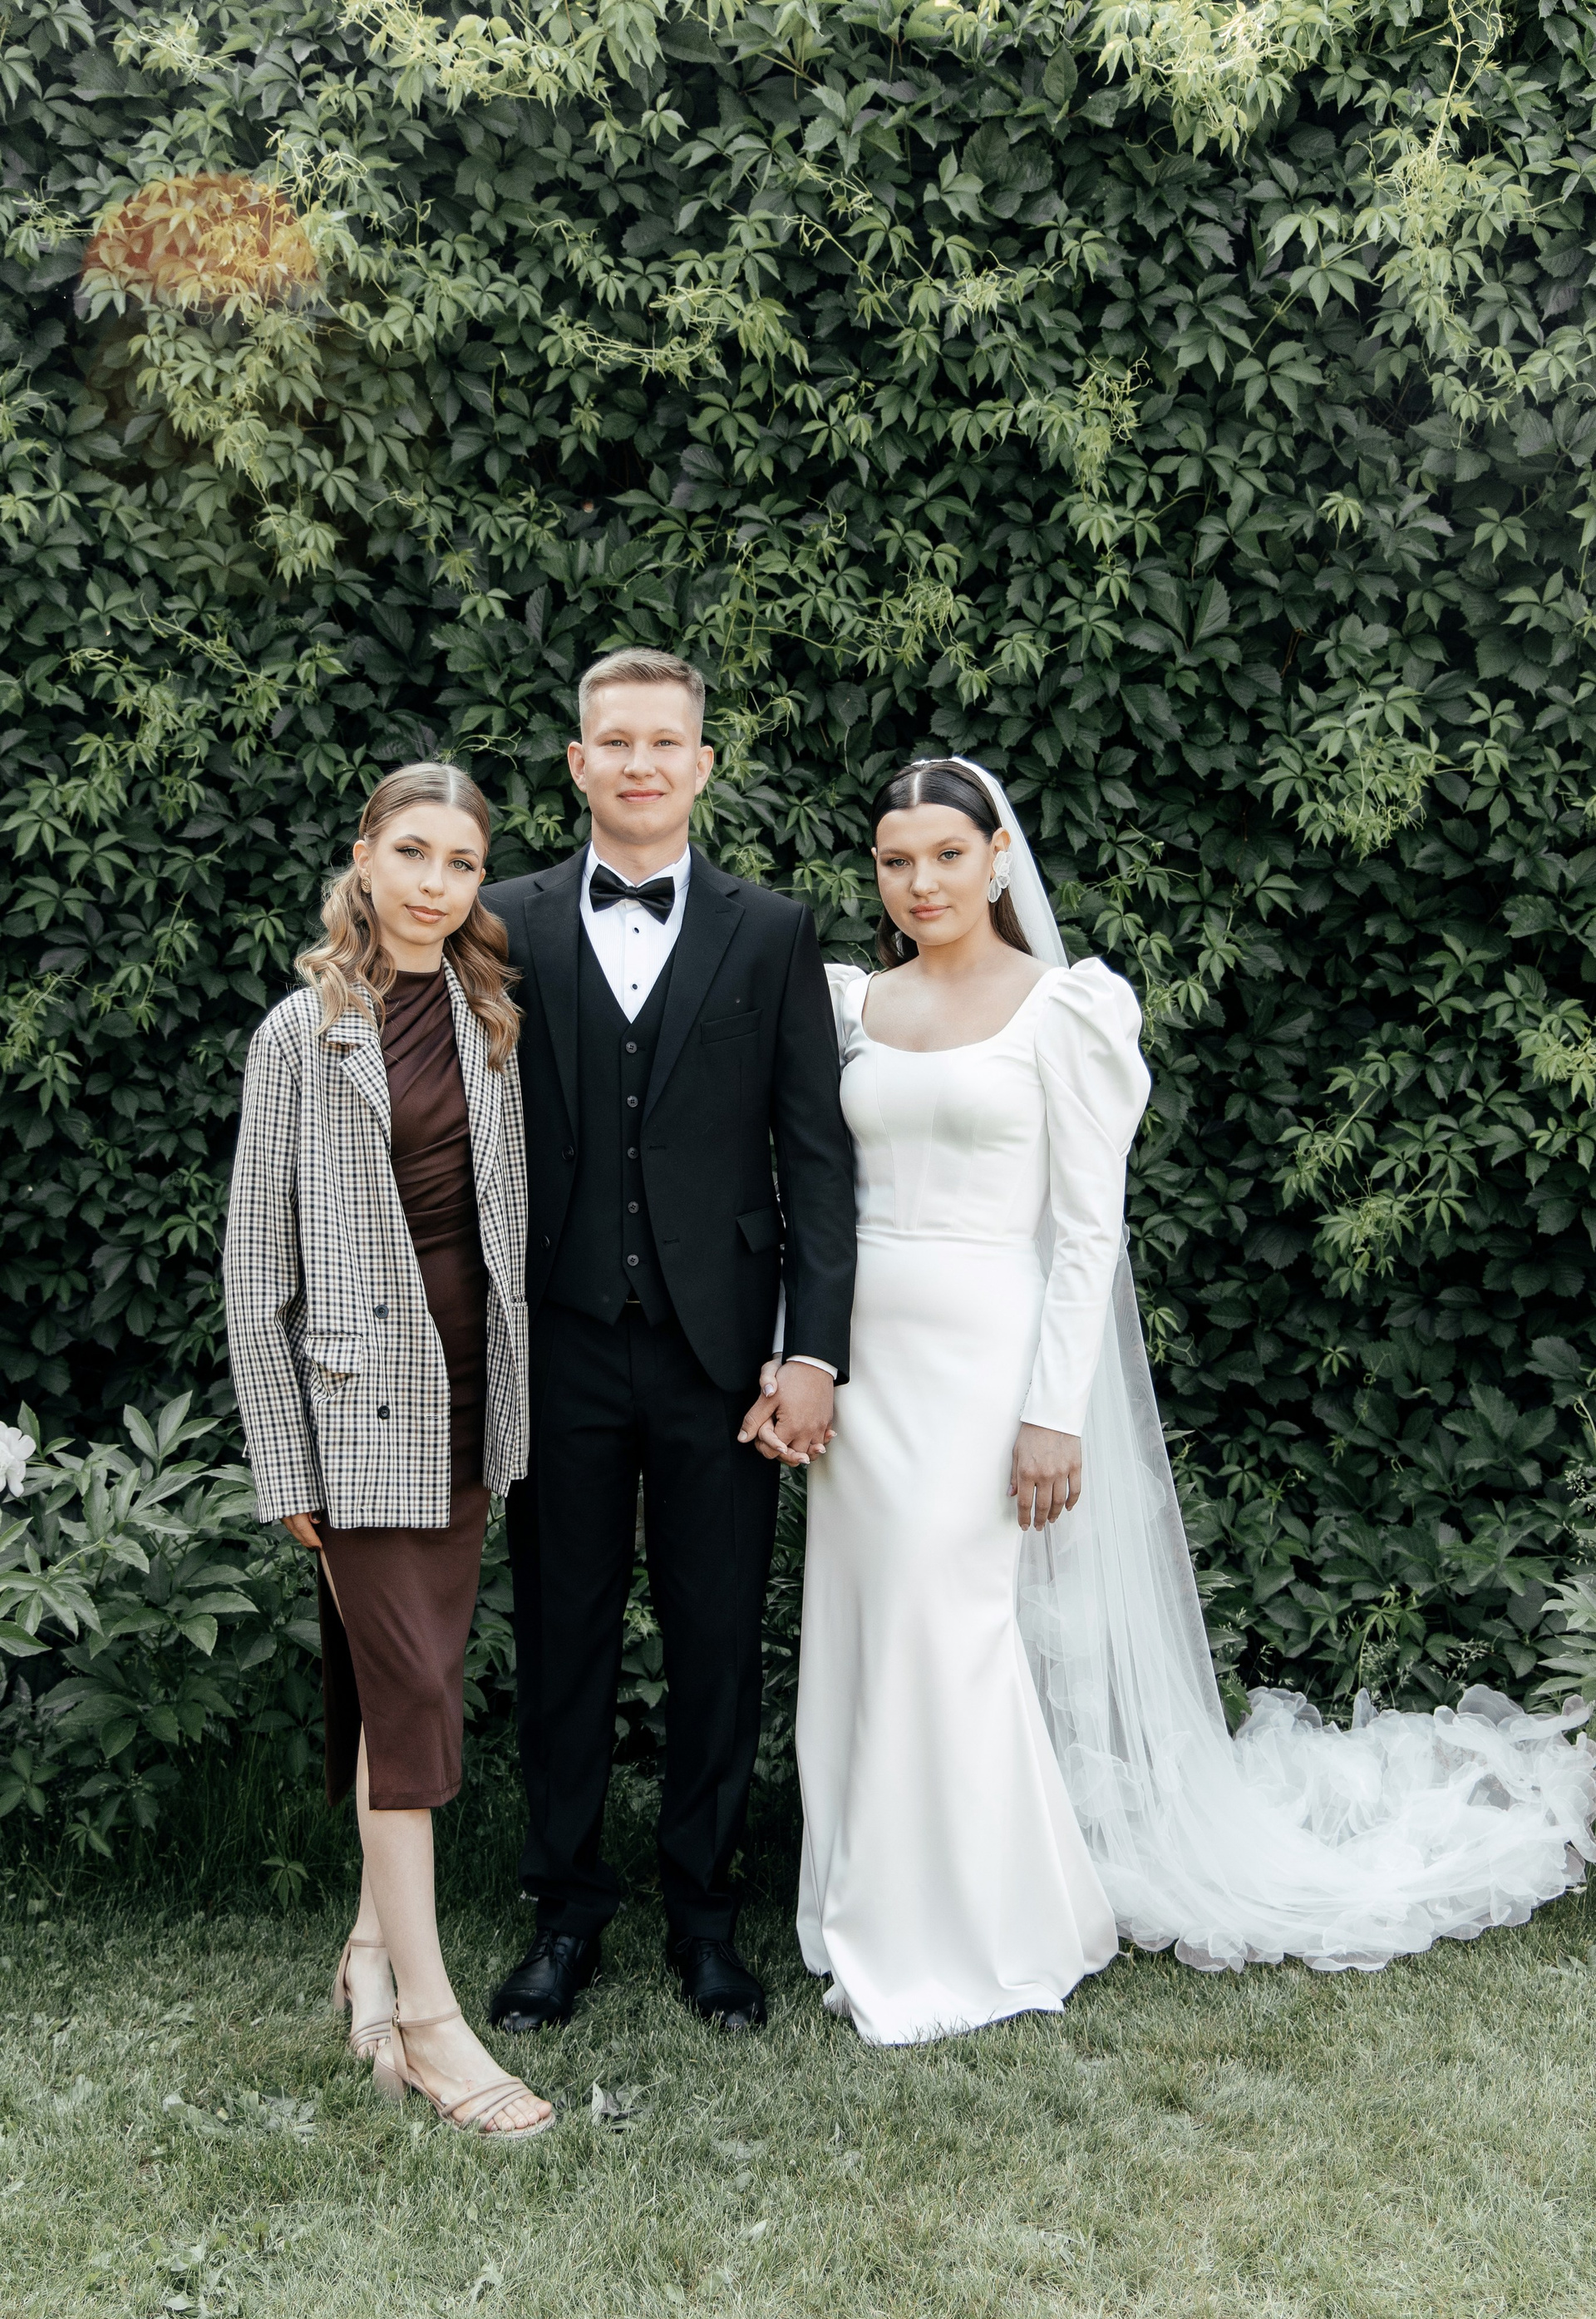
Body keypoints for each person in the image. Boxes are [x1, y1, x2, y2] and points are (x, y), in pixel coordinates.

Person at [777, 756, 1596, 2047]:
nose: (920, 881)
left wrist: (1054, 1408)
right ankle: (860, 1901)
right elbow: (814, 1197)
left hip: (987, 1353)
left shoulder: (1067, 1010)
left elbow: (1085, 1231)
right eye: (895, 859)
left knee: (952, 1625)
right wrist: (802, 1354)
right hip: (865, 1359)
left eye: (946, 853)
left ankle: (978, 1930)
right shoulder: (847, 1004)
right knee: (863, 1624)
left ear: (999, 856)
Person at [480, 649, 856, 2035]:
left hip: (724, 1357)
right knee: (564, 1634)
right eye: (615, 741)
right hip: (559, 1339)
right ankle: (564, 1911)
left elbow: (816, 1157)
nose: (640, 763)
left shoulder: (773, 930)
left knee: (715, 1637)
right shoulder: (503, 922)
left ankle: (707, 1918)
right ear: (578, 763)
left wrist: (813, 1351)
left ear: (702, 765)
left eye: (665, 742)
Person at [224, 762, 552, 2139]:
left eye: (461, 863)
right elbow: (256, 1272)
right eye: (411, 852)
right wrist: (283, 1460)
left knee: (400, 1692)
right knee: (413, 1697)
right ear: (363, 856)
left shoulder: (489, 1017)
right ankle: (429, 2018)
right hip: (355, 1415)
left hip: (472, 1395)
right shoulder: (302, 1032)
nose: (434, 883)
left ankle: (368, 1953)